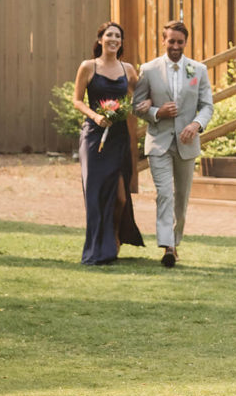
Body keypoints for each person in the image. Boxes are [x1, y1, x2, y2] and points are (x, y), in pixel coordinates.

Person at [134, 20, 213, 268]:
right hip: (158, 142)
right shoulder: (148, 70)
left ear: (185, 42)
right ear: (163, 40)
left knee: (181, 198)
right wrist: (157, 112)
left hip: (186, 144)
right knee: (165, 193)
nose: (175, 46)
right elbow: (136, 106)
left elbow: (207, 105)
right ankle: (167, 245)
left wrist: (196, 125)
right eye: (171, 41)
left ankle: (175, 242)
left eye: (180, 42)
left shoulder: (198, 70)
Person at [73, 21, 144, 266]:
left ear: (121, 42)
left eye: (118, 36)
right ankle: (96, 249)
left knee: (121, 198)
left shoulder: (128, 70)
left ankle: (114, 235)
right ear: (100, 39)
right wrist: (95, 116)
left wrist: (148, 105)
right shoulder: (88, 66)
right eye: (109, 35)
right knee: (94, 196)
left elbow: (141, 96)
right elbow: (77, 101)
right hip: (93, 137)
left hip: (119, 137)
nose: (113, 39)